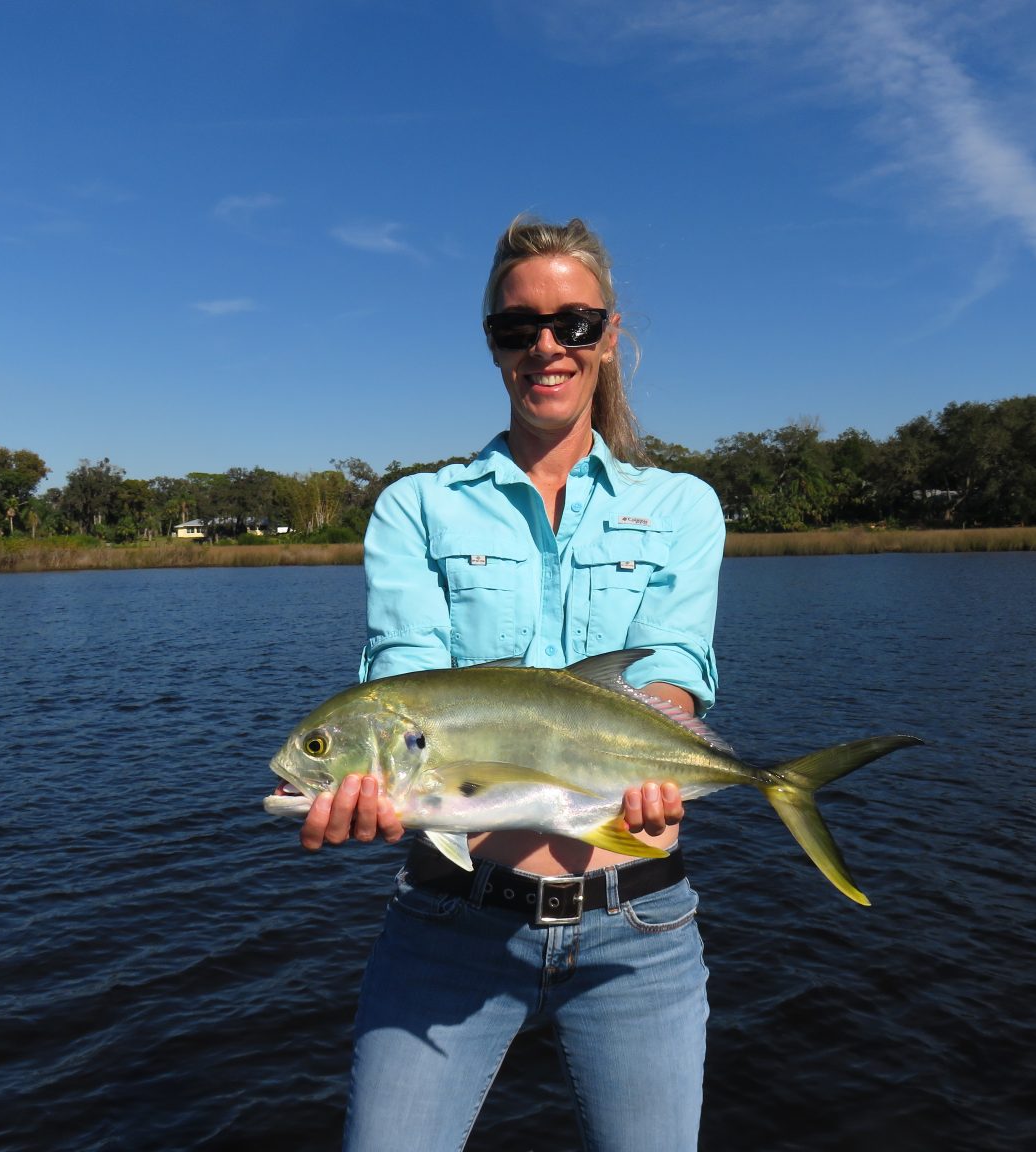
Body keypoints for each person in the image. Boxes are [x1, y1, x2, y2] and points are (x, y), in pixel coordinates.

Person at [299, 216, 725, 1152]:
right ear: (492, 343)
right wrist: (372, 789)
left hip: (638, 923)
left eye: (574, 323)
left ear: (608, 338)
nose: (547, 346)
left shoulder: (681, 507)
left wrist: (666, 741)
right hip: (448, 922)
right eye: (516, 327)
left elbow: (673, 674)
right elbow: (407, 684)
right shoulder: (416, 507)